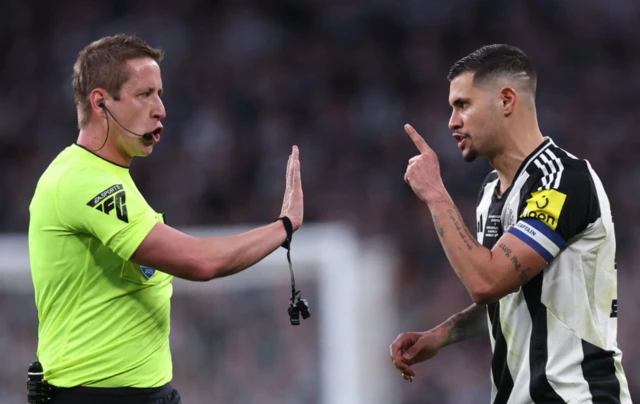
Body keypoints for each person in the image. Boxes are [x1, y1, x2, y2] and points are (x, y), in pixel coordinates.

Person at [27, 34, 303, 404]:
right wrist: (284, 226)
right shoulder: (81, 181)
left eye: (160, 93)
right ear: (100, 102)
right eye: (145, 95)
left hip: (145, 395)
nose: (161, 109)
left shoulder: (111, 177)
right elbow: (201, 262)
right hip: (95, 397)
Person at [390, 44, 632, 403]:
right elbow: (510, 292)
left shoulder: (562, 180)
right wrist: (445, 333)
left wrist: (435, 194)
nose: (452, 122)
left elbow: (487, 281)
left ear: (506, 101)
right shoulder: (491, 192)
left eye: (463, 105)